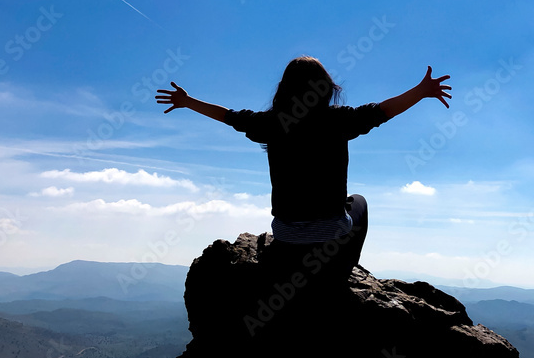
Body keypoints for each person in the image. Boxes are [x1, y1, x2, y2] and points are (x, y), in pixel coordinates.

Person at [155, 56, 451, 279]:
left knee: (346, 205)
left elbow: (229, 117)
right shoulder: (338, 120)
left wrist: (187, 101)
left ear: (284, 89)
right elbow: (383, 111)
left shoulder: (272, 123)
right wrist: (422, 90)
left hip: (286, 237)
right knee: (358, 203)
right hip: (330, 238)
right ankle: (343, 267)